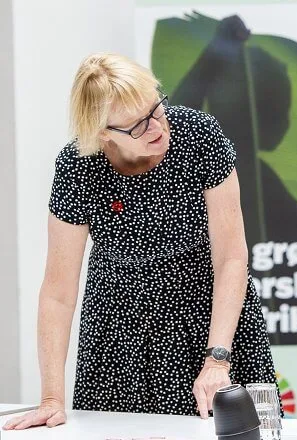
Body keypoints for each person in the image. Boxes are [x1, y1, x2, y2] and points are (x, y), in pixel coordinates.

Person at [3, 53, 277, 430]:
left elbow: (231, 256)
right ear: (102, 133)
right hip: (119, 330)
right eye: (136, 126)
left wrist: (217, 359)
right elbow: (58, 291)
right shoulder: (77, 167)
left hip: (209, 317)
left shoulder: (199, 136)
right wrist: (51, 396)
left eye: (156, 109)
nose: (156, 128)